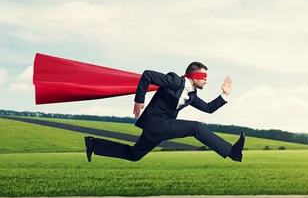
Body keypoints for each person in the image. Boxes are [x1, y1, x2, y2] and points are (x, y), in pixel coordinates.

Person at [84, 61, 245, 163]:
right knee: (195, 127)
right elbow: (147, 75)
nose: (206, 80)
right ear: (194, 76)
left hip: (159, 129)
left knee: (134, 155)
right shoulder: (174, 81)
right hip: (155, 122)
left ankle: (94, 144)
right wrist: (139, 100)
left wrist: (225, 94)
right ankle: (232, 152)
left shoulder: (192, 95)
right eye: (204, 77)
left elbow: (208, 109)